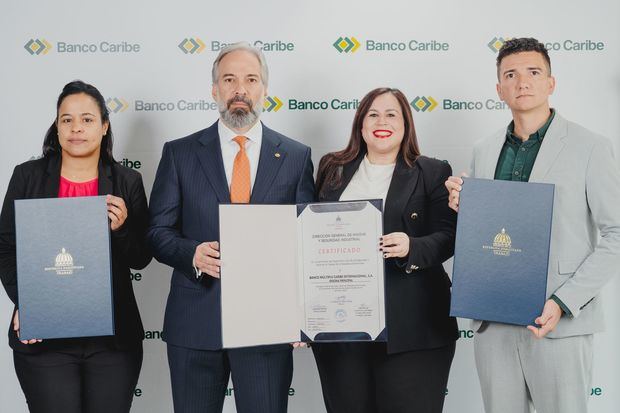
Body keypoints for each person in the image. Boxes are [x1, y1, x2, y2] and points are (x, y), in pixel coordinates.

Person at [445, 37, 620, 413]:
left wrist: (564, 301)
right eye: (511, 74)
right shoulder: (484, 149)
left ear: (550, 83)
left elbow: (617, 235)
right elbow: (489, 232)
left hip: (559, 318)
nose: (522, 82)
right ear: (499, 89)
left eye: (533, 72)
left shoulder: (591, 146)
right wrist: (464, 207)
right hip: (494, 317)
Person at [148, 41, 315, 413]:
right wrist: (190, 253)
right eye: (229, 79)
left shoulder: (296, 156)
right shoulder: (179, 153)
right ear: (214, 89)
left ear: (264, 89)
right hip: (195, 323)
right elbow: (157, 232)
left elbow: (307, 242)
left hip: (267, 326)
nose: (240, 89)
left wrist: (302, 314)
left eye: (251, 79)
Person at [0, 80, 152, 413]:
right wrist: (28, 302)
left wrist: (123, 227)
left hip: (113, 342)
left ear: (104, 126)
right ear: (56, 127)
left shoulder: (127, 181)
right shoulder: (27, 177)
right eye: (66, 119)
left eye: (86, 119)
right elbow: (6, 248)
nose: (76, 128)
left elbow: (141, 258)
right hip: (44, 337)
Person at [312, 87, 458, 413]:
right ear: (360, 125)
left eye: (392, 114)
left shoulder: (432, 171)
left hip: (415, 329)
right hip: (342, 329)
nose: (382, 121)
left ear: (406, 125)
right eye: (373, 114)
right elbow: (309, 238)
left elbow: (449, 236)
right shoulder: (331, 169)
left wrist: (412, 246)